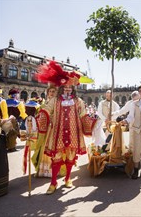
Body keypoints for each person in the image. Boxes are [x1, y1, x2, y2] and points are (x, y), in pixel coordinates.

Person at [36, 61, 87, 195]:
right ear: (62, 89)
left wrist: (94, 122)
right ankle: (53, 182)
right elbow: (47, 109)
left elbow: (83, 115)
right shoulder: (55, 100)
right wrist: (39, 117)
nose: (67, 90)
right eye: (65, 88)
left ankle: (68, 178)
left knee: (71, 156)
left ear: (73, 89)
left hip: (74, 133)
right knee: (56, 158)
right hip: (57, 133)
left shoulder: (78, 101)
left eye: (70, 88)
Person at [32, 85, 60, 177]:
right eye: (50, 91)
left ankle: (54, 171)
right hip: (45, 131)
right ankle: (43, 170)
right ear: (47, 93)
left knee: (54, 148)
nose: (52, 93)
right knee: (43, 148)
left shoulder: (59, 104)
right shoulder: (43, 105)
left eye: (54, 91)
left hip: (55, 130)